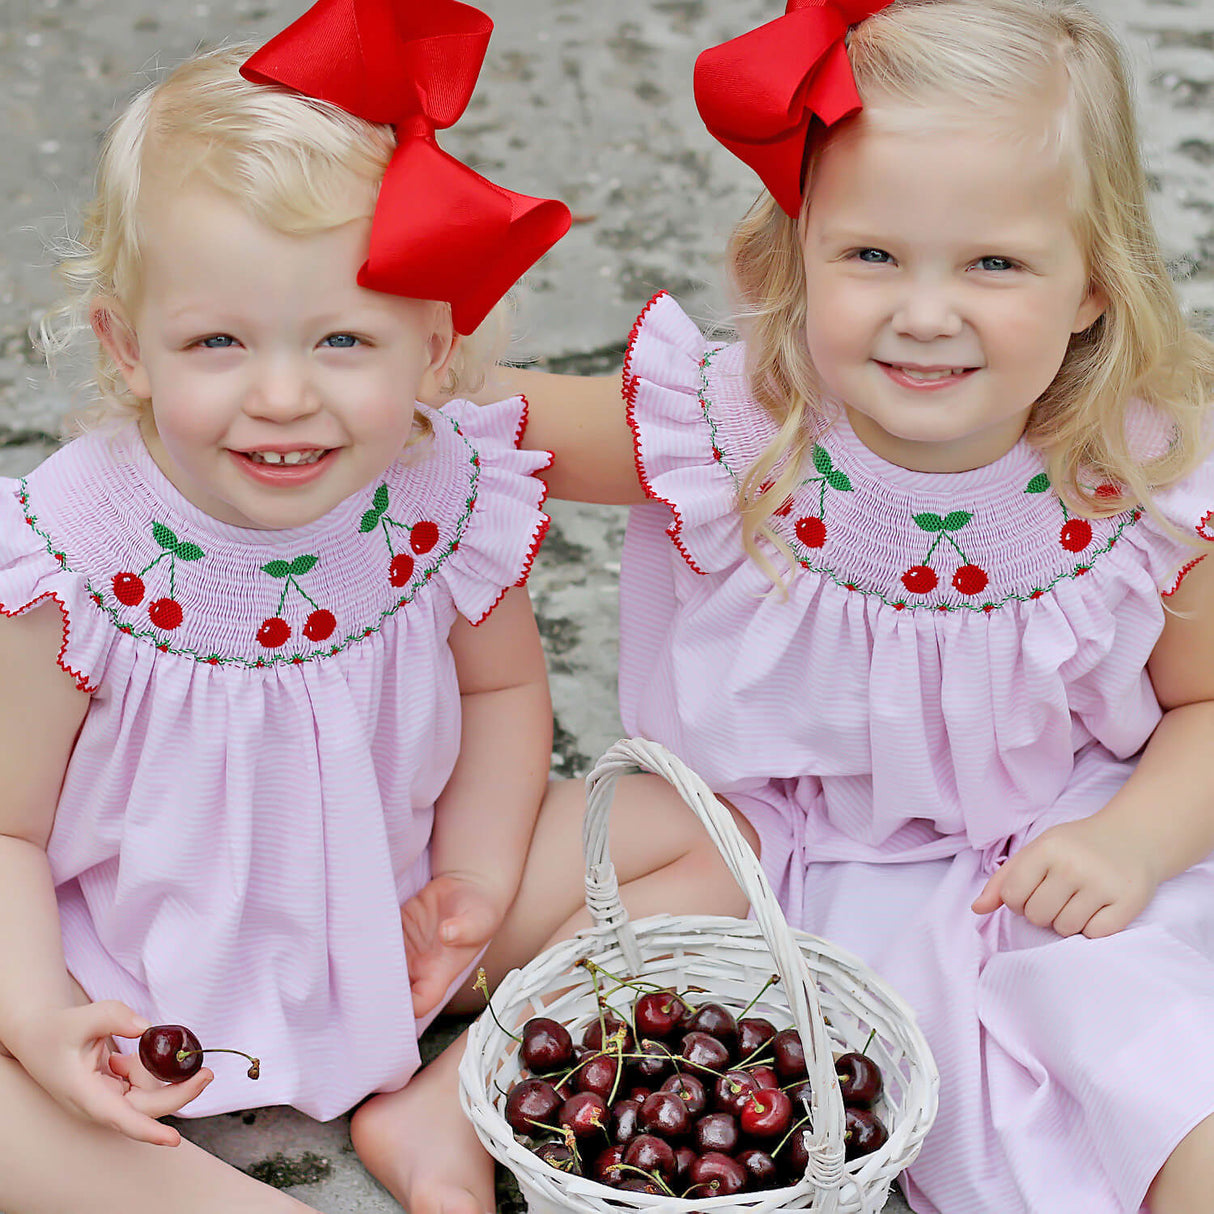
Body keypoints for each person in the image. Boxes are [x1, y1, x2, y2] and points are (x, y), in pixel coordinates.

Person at [481, 1, 1214, 1210]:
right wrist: (334, 354)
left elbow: (1205, 707)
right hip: (753, 830)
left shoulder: (1131, 482)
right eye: (870, 255)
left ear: (1091, 283)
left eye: (992, 263)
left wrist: (1131, 840)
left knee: (1133, 1044)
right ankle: (402, 1065)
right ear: (795, 257)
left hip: (1047, 842)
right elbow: (502, 420)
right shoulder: (742, 427)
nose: (923, 312)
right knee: (436, 900)